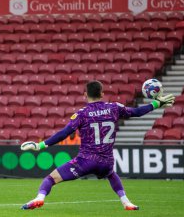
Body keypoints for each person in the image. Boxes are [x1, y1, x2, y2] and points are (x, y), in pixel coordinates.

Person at [20, 80, 175, 211]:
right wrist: (156, 103)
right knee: (111, 174)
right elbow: (137, 112)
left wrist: (39, 146)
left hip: (85, 161)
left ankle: (39, 198)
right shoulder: (114, 108)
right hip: (106, 161)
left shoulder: (82, 113)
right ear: (102, 94)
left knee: (51, 178)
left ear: (85, 95)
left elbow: (64, 133)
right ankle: (126, 202)